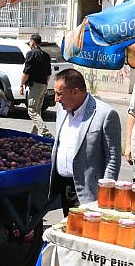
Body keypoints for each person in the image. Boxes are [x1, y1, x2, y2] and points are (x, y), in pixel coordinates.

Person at [48, 69, 122, 216]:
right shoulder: (62, 110)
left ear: (75, 92)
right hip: (64, 186)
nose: (56, 99)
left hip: (89, 191)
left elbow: (113, 158)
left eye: (59, 94)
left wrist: (105, 192)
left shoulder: (105, 114)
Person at [20, 34, 53, 137]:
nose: (29, 44)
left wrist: (21, 85)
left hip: (35, 86)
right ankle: (34, 134)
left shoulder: (31, 54)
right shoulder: (46, 55)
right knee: (37, 111)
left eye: (30, 42)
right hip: (43, 85)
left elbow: (26, 72)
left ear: (33, 42)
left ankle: (46, 133)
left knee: (32, 111)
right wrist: (45, 84)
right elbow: (48, 74)